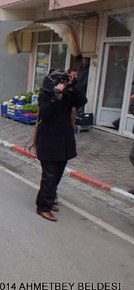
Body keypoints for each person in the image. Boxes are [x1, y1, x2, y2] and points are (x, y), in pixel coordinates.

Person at [35, 70, 87, 222]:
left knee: (57, 175)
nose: (61, 83)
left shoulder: (68, 94)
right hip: (49, 141)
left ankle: (48, 200)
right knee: (49, 176)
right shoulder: (46, 94)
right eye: (59, 81)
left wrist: (72, 85)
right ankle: (43, 207)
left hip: (63, 142)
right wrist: (56, 96)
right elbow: (45, 112)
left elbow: (81, 101)